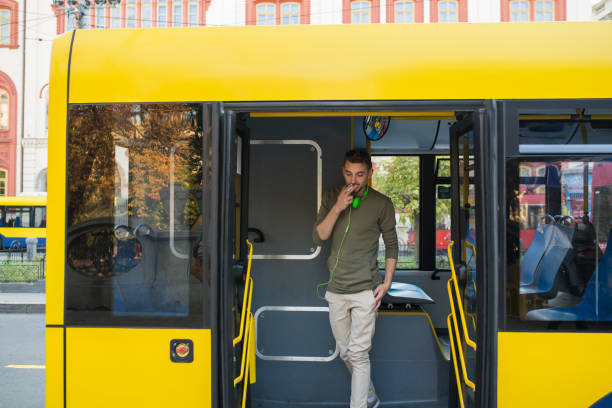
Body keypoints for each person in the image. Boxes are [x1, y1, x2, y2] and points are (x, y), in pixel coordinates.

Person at [313, 149, 398, 408]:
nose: (354, 180)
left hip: (365, 291)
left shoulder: (382, 203)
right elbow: (319, 237)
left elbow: (392, 245)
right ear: (343, 171)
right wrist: (338, 207)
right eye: (349, 173)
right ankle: (370, 396)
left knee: (359, 355)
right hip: (336, 289)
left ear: (370, 172)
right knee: (345, 352)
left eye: (360, 174)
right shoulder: (331, 197)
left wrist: (387, 283)